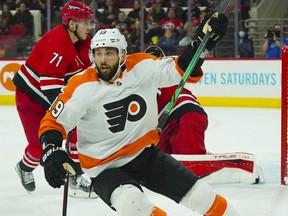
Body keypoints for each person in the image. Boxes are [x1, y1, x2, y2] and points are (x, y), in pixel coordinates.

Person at [38, 13, 239, 216]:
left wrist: (201, 45)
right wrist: (51, 150)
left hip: (145, 155)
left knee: (202, 195)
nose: (103, 60)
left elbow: (180, 68)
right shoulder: (81, 86)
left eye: (109, 53)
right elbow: (53, 122)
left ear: (123, 55)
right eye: (98, 54)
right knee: (134, 206)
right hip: (104, 168)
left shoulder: (142, 66)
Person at [13, 1, 95, 197]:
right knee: (39, 147)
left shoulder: (85, 42)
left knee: (78, 132)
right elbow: (50, 85)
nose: (89, 27)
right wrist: (68, 112)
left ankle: (75, 174)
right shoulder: (58, 42)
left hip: (51, 94)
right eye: (85, 23)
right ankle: (24, 167)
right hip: (31, 98)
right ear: (72, 24)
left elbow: (87, 72)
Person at [145, 45, 207, 155]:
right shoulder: (168, 69)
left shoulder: (154, 73)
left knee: (190, 165)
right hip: (170, 122)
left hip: (182, 116)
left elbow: (154, 96)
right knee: (162, 164)